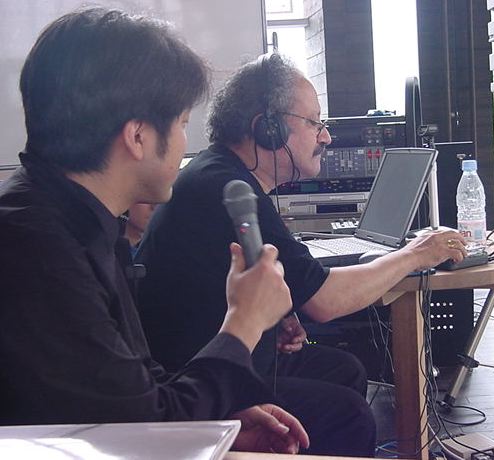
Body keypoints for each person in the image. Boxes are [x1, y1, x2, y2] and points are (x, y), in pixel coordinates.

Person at [0, 8, 310, 455]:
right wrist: (244, 322)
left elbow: (133, 389)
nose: (186, 142)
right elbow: (140, 433)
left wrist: (214, 422)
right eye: (182, 123)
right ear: (138, 137)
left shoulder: (76, 220)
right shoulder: (35, 248)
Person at [136, 54, 467, 456]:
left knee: (343, 369)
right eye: (314, 122)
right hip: (193, 381)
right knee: (347, 415)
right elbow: (324, 301)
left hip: (206, 356)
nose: (326, 137)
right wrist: (415, 255)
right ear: (268, 128)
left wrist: (276, 316)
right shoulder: (227, 188)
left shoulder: (221, 173)